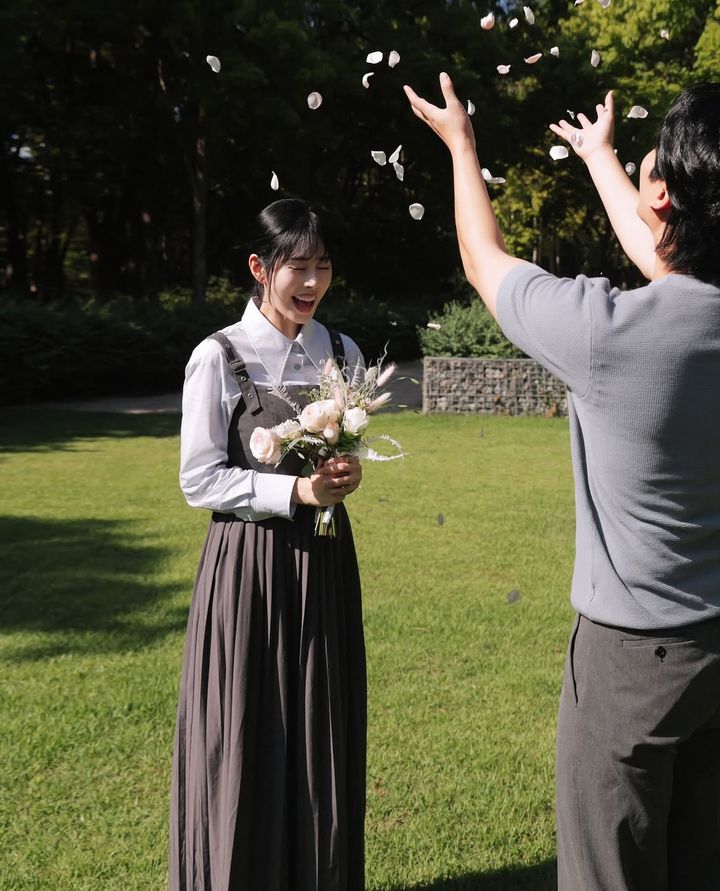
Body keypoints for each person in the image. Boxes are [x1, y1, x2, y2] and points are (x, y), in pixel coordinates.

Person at [404, 74, 720, 890]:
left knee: (607, 870)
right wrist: (601, 157)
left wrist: (462, 146)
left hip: (630, 669)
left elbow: (484, 261)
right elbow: (667, 253)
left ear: (666, 193)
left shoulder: (609, 336)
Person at [169, 198, 367, 891]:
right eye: (298, 267)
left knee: (321, 725)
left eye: (323, 266)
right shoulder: (218, 356)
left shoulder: (341, 352)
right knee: (244, 726)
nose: (312, 282)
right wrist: (293, 494)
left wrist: (346, 474)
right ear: (260, 268)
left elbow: (342, 458)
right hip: (247, 570)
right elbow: (200, 479)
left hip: (325, 561)